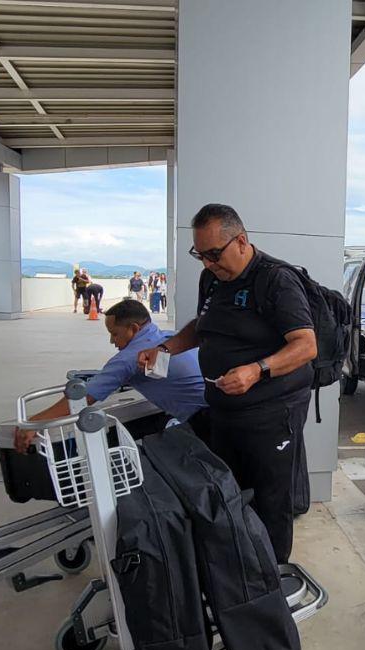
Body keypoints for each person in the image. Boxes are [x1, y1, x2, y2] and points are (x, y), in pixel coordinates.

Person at [136, 203, 317, 564]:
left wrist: (257, 369)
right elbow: (203, 326)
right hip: (223, 409)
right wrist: (165, 348)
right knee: (228, 490)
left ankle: (274, 574)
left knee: (270, 499)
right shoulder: (212, 279)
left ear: (241, 241)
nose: (208, 264)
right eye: (200, 255)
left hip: (271, 411)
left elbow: (306, 346)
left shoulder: (275, 280)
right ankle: (240, 568)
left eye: (214, 254)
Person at [13, 299, 209, 452]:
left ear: (133, 329)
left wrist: (34, 423)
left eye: (114, 334)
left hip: (203, 423)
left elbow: (85, 396)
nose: (111, 341)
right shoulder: (173, 338)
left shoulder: (129, 358)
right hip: (219, 409)